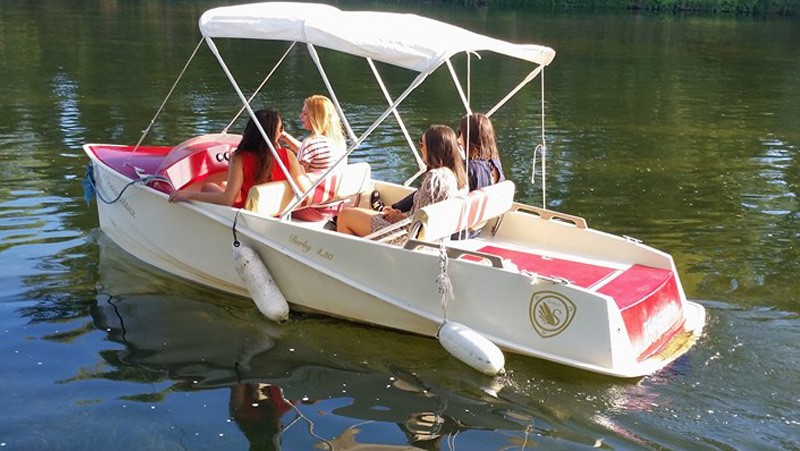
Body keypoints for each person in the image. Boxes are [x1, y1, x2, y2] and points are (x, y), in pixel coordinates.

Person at [337, 125, 467, 240]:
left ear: (434, 148)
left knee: (344, 216)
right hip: (426, 235)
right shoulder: (453, 175)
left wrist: (400, 218)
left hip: (404, 237)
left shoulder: (435, 179)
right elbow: (423, 216)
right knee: (364, 212)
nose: (420, 148)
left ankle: (355, 260)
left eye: (422, 144)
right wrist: (400, 215)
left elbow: (418, 227)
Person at [168, 109, 309, 208]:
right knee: (223, 185)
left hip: (247, 214)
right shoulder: (288, 155)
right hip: (276, 212)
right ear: (273, 133)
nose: (281, 132)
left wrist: (188, 194)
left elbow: (227, 200)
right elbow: (305, 190)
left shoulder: (239, 158)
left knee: (207, 186)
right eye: (281, 128)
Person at [280, 94, 347, 174]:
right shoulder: (339, 141)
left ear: (316, 118)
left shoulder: (310, 143)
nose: (300, 116)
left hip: (312, 185)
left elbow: (298, 176)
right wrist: (284, 136)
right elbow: (311, 151)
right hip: (332, 184)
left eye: (305, 114)